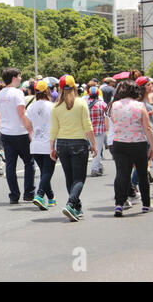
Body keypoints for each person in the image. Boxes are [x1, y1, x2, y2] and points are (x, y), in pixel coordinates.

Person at [50, 75, 97, 222]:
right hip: (78, 143)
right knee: (79, 178)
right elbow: (87, 126)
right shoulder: (81, 103)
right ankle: (71, 204)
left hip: (62, 144)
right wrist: (94, 144)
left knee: (69, 177)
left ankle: (76, 207)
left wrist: (51, 147)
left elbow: (54, 129)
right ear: (75, 88)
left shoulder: (56, 106)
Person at [110, 79, 153, 217]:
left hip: (119, 142)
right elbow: (147, 127)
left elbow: (113, 121)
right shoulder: (139, 105)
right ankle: (146, 205)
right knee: (142, 174)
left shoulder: (114, 105)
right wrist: (152, 146)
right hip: (138, 143)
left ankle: (119, 204)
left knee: (122, 174)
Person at [0, 67, 35, 204]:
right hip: (20, 132)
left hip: (6, 133)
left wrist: (2, 128)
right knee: (29, 162)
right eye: (19, 76)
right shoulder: (17, 93)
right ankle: (28, 193)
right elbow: (21, 114)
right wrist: (30, 129)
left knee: (10, 166)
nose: (20, 79)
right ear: (13, 78)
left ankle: (14, 195)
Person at [26, 81, 56, 210]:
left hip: (35, 143)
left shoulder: (31, 107)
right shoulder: (52, 106)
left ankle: (51, 197)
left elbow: (28, 125)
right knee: (48, 172)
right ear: (47, 91)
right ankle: (39, 195)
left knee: (44, 172)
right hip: (48, 143)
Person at [87, 86, 107, 177]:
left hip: (88, 131)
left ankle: (99, 166)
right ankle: (95, 169)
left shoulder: (85, 104)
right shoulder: (102, 104)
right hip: (99, 130)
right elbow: (107, 114)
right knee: (97, 150)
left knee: (93, 149)